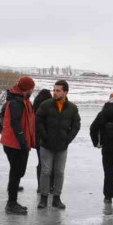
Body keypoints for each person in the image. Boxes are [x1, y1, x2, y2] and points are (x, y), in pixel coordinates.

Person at [35, 80, 81, 210]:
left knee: (59, 172)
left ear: (65, 92)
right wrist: (45, 136)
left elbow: (76, 125)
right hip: (46, 145)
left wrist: (68, 139)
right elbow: (38, 122)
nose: (54, 93)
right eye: (54, 90)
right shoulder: (45, 105)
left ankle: (56, 198)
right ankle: (44, 198)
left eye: (58, 90)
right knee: (46, 171)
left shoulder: (72, 108)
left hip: (62, 146)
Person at [0, 77, 37, 215]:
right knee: (16, 172)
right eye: (32, 88)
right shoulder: (16, 102)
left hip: (17, 143)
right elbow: (15, 123)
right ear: (27, 89)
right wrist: (22, 141)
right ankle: (11, 204)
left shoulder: (22, 100)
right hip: (14, 143)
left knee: (18, 172)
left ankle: (12, 201)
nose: (33, 90)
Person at [32, 89, 53, 192]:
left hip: (37, 137)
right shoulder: (50, 106)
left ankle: (40, 186)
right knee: (51, 162)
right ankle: (50, 186)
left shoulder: (35, 106)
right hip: (48, 137)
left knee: (41, 162)